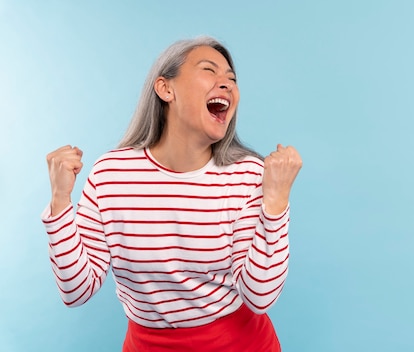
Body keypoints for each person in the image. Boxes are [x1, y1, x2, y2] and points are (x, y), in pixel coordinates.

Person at [42, 36, 302, 351]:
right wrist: (59, 203)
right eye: (210, 71)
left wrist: (275, 202)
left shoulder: (246, 174)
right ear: (166, 89)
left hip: (241, 343)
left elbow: (260, 296)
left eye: (232, 80)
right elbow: (76, 290)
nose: (227, 85)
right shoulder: (111, 175)